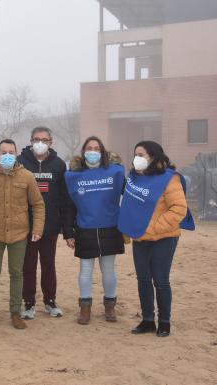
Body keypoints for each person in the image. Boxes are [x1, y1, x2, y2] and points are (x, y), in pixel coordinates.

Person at [118, 140, 194, 337]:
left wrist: (152, 228)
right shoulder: (134, 178)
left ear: (153, 157)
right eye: (135, 154)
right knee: (143, 280)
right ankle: (147, 320)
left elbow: (179, 209)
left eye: (141, 155)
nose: (137, 158)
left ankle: (165, 322)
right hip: (140, 238)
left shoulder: (169, 179)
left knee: (160, 280)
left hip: (164, 238)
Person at [0, 139, 45, 330]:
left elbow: (38, 204)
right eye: (3, 152)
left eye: (11, 152)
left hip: (19, 234)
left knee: (16, 273)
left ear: (16, 155)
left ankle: (15, 313)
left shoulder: (27, 177)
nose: (7, 155)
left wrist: (37, 229)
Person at [62, 136, 126, 325]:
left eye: (96, 148)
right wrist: (68, 232)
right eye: (89, 148)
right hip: (85, 229)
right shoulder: (73, 176)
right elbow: (68, 206)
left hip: (110, 228)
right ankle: (85, 308)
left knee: (108, 271)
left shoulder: (115, 172)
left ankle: (109, 306)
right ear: (83, 152)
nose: (92, 151)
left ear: (102, 151)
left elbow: (130, 194)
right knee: (85, 271)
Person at [18, 127, 67, 320]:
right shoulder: (20, 162)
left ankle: (50, 301)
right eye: (36, 139)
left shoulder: (59, 165)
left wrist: (65, 226)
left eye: (44, 140)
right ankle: (29, 303)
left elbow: (64, 198)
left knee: (48, 264)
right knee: (28, 266)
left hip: (50, 225)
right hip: (26, 225)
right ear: (30, 140)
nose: (40, 143)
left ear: (51, 142)